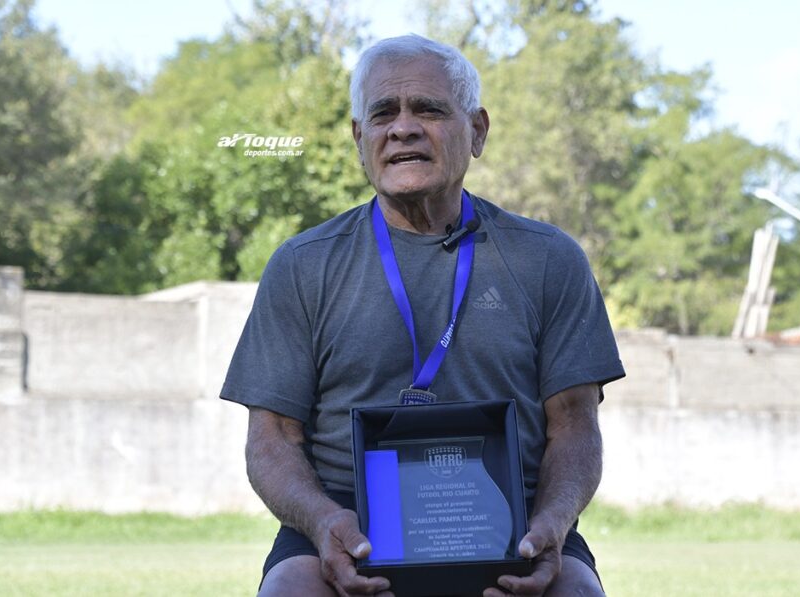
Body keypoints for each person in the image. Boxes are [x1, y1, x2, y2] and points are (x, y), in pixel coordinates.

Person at [221, 34, 625, 597]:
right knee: (290, 589)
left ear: (477, 131)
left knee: (575, 591)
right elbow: (271, 439)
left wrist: (552, 525)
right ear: (359, 138)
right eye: (382, 113)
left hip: (514, 524)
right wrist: (323, 521)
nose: (403, 128)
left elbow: (575, 426)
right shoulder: (303, 265)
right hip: (345, 527)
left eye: (428, 110)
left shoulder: (548, 259)